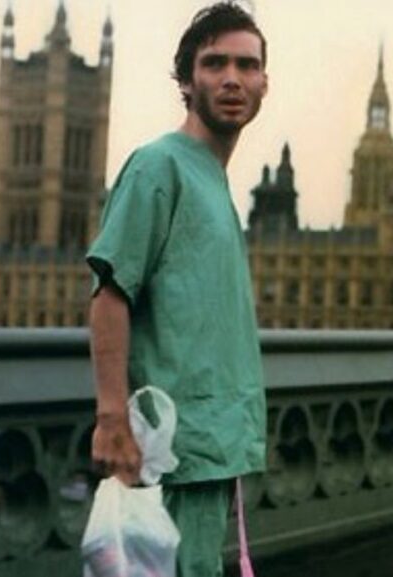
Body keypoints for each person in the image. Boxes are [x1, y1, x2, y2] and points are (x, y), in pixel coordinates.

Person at [86, 3, 268, 575]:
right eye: (215, 64)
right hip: (168, 456)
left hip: (212, 452)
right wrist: (112, 417)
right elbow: (111, 294)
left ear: (265, 83)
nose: (233, 78)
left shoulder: (212, 178)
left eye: (247, 64)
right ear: (187, 82)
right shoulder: (158, 166)